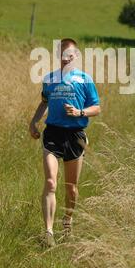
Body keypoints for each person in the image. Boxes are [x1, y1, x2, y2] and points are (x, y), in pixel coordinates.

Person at [29, 38, 101, 247]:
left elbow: (96, 108)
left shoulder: (85, 80)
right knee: (51, 182)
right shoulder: (50, 79)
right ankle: (48, 232)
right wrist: (34, 122)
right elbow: (44, 103)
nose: (66, 58)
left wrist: (79, 112)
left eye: (70, 55)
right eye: (62, 54)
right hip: (53, 134)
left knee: (71, 188)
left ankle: (67, 222)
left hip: (75, 135)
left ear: (76, 57)